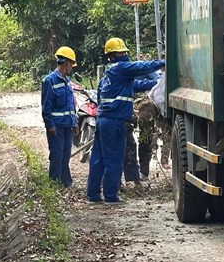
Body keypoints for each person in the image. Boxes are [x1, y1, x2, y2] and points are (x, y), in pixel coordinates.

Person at [86, 38, 164, 204]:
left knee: (98, 158)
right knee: (114, 158)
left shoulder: (111, 73)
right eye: (121, 52)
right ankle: (110, 196)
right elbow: (142, 67)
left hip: (103, 120)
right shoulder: (121, 68)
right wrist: (165, 62)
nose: (124, 55)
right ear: (113, 55)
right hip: (114, 121)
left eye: (124, 52)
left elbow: (136, 85)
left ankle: (93, 195)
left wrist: (157, 83)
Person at [40, 46, 79, 187]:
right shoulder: (49, 81)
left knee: (65, 156)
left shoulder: (67, 81)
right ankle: (54, 183)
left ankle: (65, 182)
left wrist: (74, 122)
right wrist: (50, 126)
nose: (72, 68)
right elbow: (46, 107)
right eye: (71, 65)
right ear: (66, 63)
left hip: (67, 125)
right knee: (57, 156)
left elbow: (70, 105)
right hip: (56, 127)